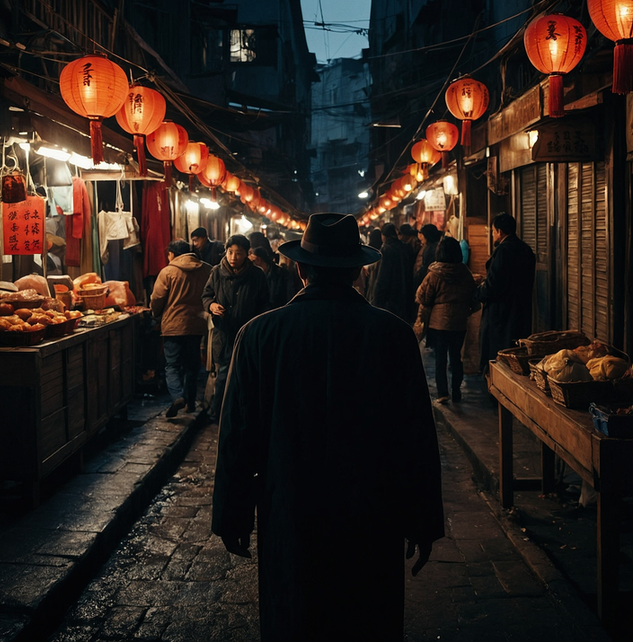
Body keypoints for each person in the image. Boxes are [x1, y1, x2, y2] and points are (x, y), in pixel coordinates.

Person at [212, 213, 444, 642]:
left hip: (290, 511)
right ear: (358, 271)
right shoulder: (393, 336)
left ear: (300, 269)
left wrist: (232, 513)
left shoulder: (259, 335)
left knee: (294, 618)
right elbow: (416, 436)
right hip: (372, 515)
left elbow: (238, 435)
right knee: (367, 619)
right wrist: (424, 518)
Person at [201, 234, 270, 422]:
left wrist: (257, 324)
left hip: (247, 335)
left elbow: (265, 304)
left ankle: (243, 414)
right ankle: (220, 413)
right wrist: (212, 306)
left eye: (238, 253)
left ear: (246, 254)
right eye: (230, 252)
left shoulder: (257, 275)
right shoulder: (216, 272)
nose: (233, 257)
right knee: (223, 375)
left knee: (245, 376)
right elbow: (206, 296)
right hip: (223, 333)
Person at [150, 239, 212, 417]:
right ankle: (190, 403)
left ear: (172, 254)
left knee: (172, 366)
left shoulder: (168, 272)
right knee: (192, 365)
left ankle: (178, 396)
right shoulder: (206, 269)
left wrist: (155, 313)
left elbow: (157, 299)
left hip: (173, 326)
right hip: (196, 325)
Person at [416, 236, 478, 403]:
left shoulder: (434, 274)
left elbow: (423, 297)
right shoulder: (465, 273)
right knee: (456, 358)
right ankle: (457, 391)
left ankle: (443, 393)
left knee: (440, 359)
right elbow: (474, 298)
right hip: (459, 324)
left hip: (438, 324)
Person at [476, 212, 536, 375]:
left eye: (494, 231)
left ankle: (496, 395)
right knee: (516, 358)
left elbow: (493, 286)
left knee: (498, 358)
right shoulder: (525, 249)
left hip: (501, 315)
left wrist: (478, 291)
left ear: (500, 232)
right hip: (521, 311)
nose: (493, 234)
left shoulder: (503, 251)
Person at [372, 222, 414, 322]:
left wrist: (377, 299)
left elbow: (383, 277)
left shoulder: (386, 249)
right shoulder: (406, 247)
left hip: (389, 298)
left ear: (384, 236)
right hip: (405, 296)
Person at [414, 223, 443, 290]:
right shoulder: (432, 246)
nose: (420, 237)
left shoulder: (431, 248)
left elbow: (427, 266)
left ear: (427, 235)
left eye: (422, 234)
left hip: (430, 281)